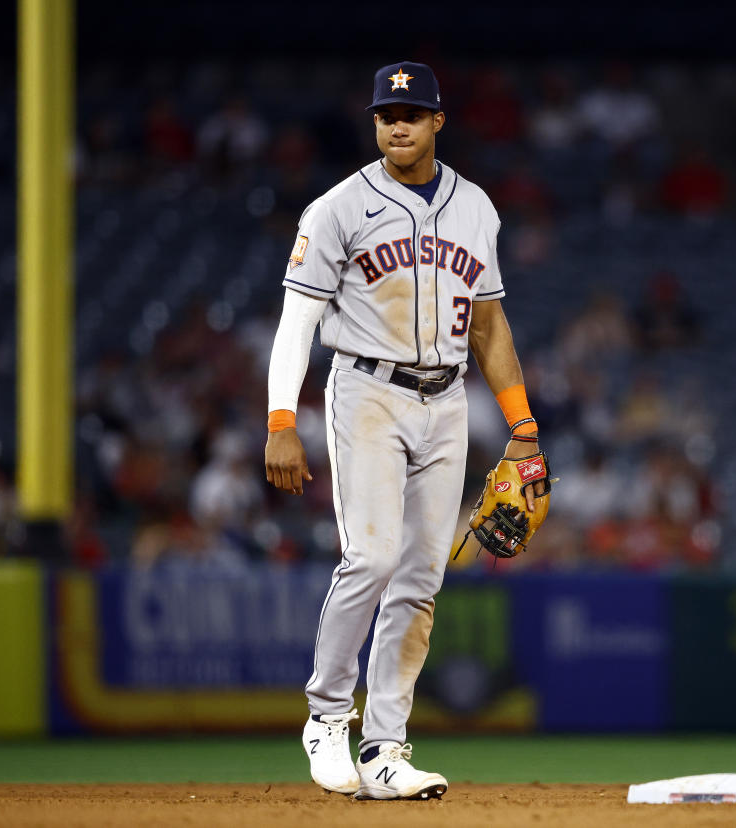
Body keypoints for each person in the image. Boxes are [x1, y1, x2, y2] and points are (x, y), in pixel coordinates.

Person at [262, 62, 545, 802]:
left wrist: (522, 423)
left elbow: (488, 324)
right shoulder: (337, 208)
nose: (398, 124)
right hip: (366, 391)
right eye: (388, 113)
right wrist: (282, 421)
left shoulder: (476, 208)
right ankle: (327, 716)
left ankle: (386, 746)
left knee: (422, 576)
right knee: (373, 557)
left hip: (446, 400)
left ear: (437, 122)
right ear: (374, 121)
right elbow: (298, 321)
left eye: (413, 113)